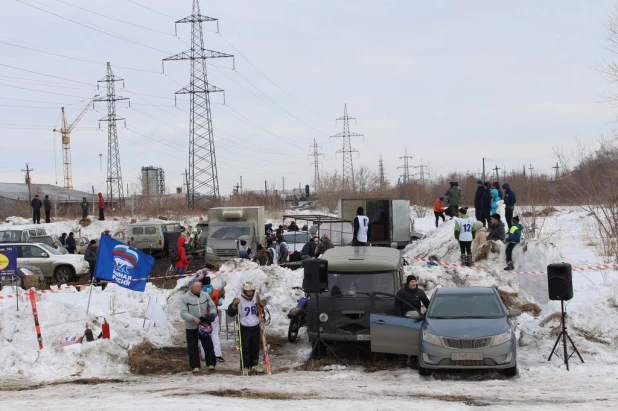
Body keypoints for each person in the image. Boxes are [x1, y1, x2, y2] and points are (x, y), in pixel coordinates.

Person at [227, 281, 265, 375]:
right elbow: (230, 313)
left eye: (252, 291)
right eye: (248, 291)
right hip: (244, 326)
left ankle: (254, 365)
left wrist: (261, 306)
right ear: (244, 291)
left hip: (255, 325)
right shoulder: (239, 299)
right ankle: (245, 366)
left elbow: (260, 312)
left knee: (255, 347)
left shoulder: (256, 298)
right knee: (245, 348)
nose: (250, 293)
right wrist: (234, 305)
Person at [180, 280, 217, 373]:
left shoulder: (205, 295)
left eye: (200, 286)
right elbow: (183, 313)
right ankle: (195, 366)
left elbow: (212, 306)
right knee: (192, 346)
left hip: (204, 323)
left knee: (208, 344)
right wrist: (193, 318)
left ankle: (211, 364)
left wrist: (212, 314)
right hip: (191, 325)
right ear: (191, 288)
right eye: (197, 287)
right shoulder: (185, 298)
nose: (200, 288)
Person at [196, 275, 225, 363]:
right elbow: (220, 303)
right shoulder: (216, 291)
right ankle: (217, 354)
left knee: (203, 336)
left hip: (203, 317)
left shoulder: (200, 292)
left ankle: (204, 355)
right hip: (214, 315)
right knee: (215, 335)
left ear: (202, 283)